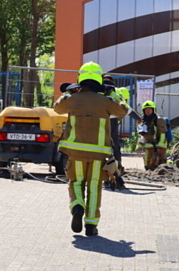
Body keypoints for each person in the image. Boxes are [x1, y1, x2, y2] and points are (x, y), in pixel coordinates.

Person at [54, 62, 129, 236]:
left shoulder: (71, 99)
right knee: (94, 186)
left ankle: (77, 205)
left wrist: (69, 92)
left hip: (75, 152)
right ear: (99, 79)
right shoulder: (105, 101)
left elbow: (57, 108)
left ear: (80, 78)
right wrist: (114, 94)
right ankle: (90, 225)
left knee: (76, 182)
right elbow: (123, 110)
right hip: (98, 154)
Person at [137, 100, 168, 170]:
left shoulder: (159, 119)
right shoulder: (142, 121)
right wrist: (138, 146)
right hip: (148, 145)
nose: (148, 111)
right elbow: (141, 135)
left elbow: (163, 134)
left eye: (150, 109)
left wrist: (160, 146)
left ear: (153, 110)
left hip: (158, 144)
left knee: (160, 162)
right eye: (146, 109)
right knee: (148, 164)